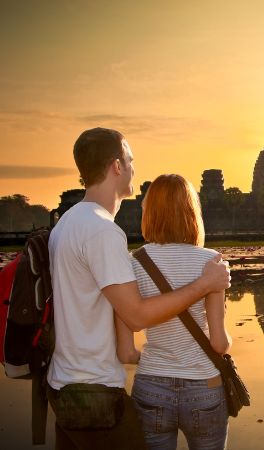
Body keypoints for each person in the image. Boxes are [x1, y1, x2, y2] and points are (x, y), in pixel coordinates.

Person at [48, 128, 231, 450]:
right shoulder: (101, 230)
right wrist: (204, 284)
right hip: (95, 390)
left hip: (70, 382)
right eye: (130, 160)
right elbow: (135, 315)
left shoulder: (69, 221)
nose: (134, 168)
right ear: (117, 166)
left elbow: (125, 339)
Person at [116, 174, 232, 450]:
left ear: (150, 213)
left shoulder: (133, 263)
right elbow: (219, 344)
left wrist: (159, 362)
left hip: (151, 389)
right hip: (203, 388)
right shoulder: (211, 263)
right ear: (192, 213)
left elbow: (125, 353)